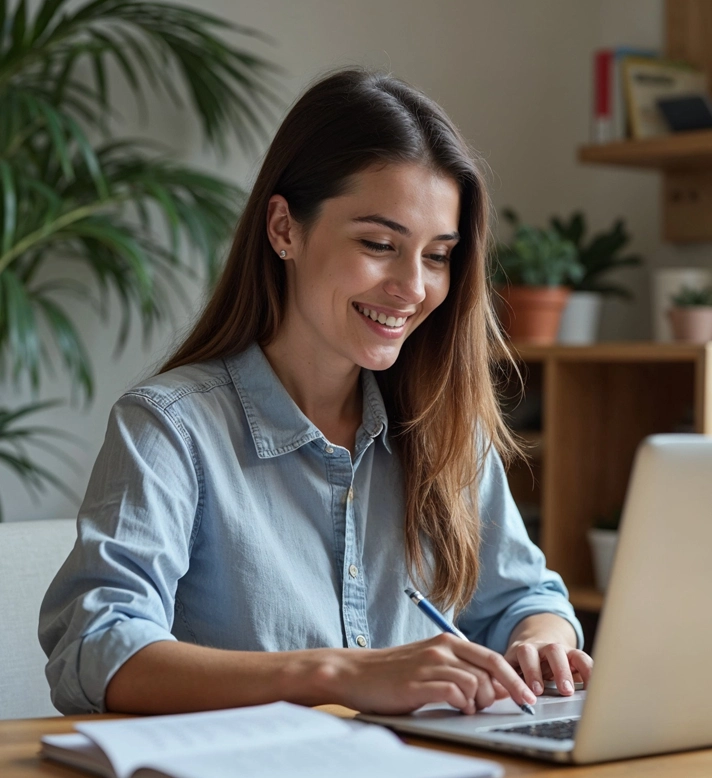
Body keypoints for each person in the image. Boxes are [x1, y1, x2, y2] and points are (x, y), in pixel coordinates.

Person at [40, 68, 593, 717]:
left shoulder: (446, 429)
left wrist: (540, 639)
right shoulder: (171, 428)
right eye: (379, 244)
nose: (413, 287)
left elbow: (526, 600)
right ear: (284, 229)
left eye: (438, 255)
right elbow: (96, 648)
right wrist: (338, 673)